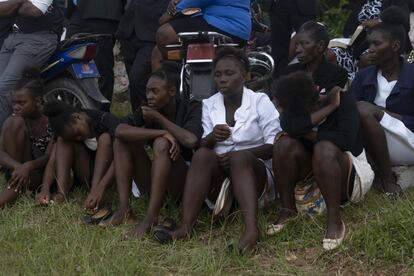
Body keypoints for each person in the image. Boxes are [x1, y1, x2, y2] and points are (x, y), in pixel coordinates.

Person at [153, 47, 281, 254]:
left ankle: (251, 231)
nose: (222, 79)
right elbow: (200, 146)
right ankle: (186, 226)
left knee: (240, 158)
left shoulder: (260, 101)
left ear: (245, 75)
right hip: (221, 179)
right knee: (203, 155)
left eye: (229, 73)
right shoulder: (209, 104)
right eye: (218, 74)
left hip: (255, 175)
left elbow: (274, 144)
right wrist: (212, 137)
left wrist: (244, 155)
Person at [269, 71, 374, 250]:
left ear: (311, 104)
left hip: (350, 174)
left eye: (284, 110)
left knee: (324, 147)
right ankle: (288, 210)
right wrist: (331, 106)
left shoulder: (344, 100)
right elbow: (289, 126)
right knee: (283, 144)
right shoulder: (297, 108)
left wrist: (309, 133)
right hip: (316, 176)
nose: (281, 113)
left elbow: (346, 141)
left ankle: (335, 220)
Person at [100, 68, 203, 239]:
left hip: (182, 183)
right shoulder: (147, 109)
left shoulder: (190, 106)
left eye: (155, 91)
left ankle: (151, 217)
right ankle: (124, 209)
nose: (150, 96)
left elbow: (191, 140)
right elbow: (119, 130)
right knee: (122, 142)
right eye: (147, 91)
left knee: (162, 144)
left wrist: (159, 120)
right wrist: (159, 132)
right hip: (154, 182)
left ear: (171, 92)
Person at [351, 6, 414, 198]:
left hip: (407, 142)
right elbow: (351, 111)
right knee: (357, 109)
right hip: (374, 140)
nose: (370, 49)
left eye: (377, 44)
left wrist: (380, 113)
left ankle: (387, 179)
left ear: (395, 46)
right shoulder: (364, 76)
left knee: (365, 110)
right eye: (370, 44)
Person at [36, 102, 120, 210]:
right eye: (74, 137)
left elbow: (120, 156)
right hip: (86, 173)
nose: (78, 138)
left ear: (77, 117)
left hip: (107, 176)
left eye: (77, 134)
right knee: (62, 141)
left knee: (104, 138)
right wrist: (45, 188)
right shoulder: (66, 130)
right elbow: (53, 159)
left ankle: (94, 192)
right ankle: (61, 193)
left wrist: (99, 188)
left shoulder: (106, 120)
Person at [0, 0, 63, 132]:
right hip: (12, 38)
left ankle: (5, 139)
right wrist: (20, 1)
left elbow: (33, 11)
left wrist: (12, 5)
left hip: (39, 39)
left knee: (4, 87)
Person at [0, 67, 54, 207]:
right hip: (18, 172)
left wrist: (28, 166)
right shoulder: (17, 119)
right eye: (14, 103)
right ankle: (18, 185)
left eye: (22, 103)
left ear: (37, 101)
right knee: (12, 122)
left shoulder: (51, 118)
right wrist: (19, 167)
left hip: (42, 174)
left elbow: (50, 156)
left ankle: (14, 190)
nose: (16, 107)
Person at [152, 0, 251, 71]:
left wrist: (170, 13)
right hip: (239, 31)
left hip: (223, 24)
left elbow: (192, 3)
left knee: (164, 34)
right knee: (157, 51)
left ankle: (184, 65)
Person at [329, 0, 410, 80]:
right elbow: (348, 28)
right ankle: (337, 85)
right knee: (332, 53)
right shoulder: (364, 2)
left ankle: (361, 88)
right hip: (358, 45)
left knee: (366, 59)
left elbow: (403, 19)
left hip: (382, 44)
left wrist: (379, 21)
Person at [66, 0, 125, 108]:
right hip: (76, 14)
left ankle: (101, 113)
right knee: (70, 61)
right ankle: (75, 105)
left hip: (104, 14)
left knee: (102, 65)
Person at [116, 0, 169, 112]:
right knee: (134, 81)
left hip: (152, 31)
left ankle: (153, 116)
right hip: (129, 32)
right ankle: (139, 119)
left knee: (137, 78)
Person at [282, 21, 348, 93]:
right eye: (297, 45)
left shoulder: (337, 74)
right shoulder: (289, 72)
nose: (297, 50)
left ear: (320, 46)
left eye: (304, 44)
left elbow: (328, 101)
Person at [269, 0, 318, 77]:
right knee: (278, 53)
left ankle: (315, 84)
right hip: (277, 4)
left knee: (310, 47)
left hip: (303, 5)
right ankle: (279, 85)